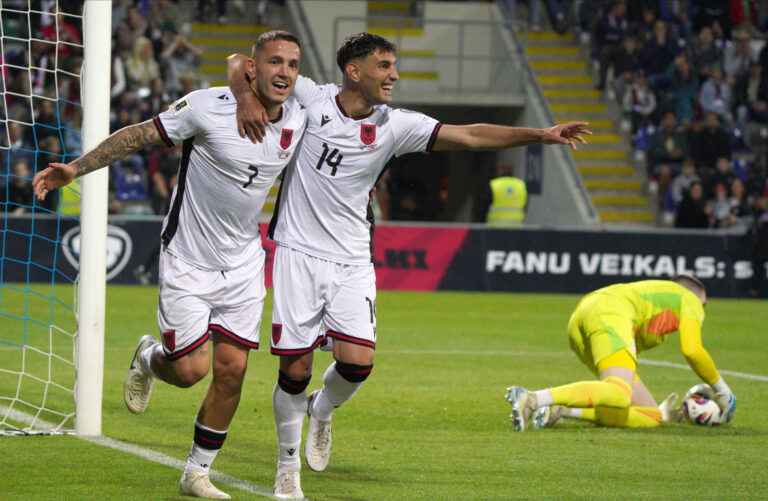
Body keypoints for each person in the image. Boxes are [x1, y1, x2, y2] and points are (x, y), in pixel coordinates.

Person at [227, 32, 591, 499]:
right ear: (354, 71)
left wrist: (540, 134)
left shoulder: (396, 124)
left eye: (394, 66)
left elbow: (472, 136)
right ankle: (287, 467)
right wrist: (243, 97)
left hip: (353, 258)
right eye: (384, 66)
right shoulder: (310, 96)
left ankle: (322, 409)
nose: (394, 75)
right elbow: (239, 60)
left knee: (357, 363)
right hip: (297, 251)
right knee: (294, 368)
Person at [32, 30, 307, 500]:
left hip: (243, 261)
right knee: (188, 372)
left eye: (293, 65)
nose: (284, 72)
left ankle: (196, 472)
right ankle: (148, 356)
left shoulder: (300, 112)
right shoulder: (206, 106)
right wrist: (75, 169)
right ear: (253, 69)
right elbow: (137, 135)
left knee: (231, 371)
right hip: (188, 259)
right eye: (274, 62)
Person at [506, 275, 737, 431]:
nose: (700, 313)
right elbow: (692, 350)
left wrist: (663, 413)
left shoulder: (659, 311)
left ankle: (562, 409)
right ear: (696, 297)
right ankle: (533, 398)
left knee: (650, 415)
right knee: (619, 393)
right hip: (609, 312)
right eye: (703, 307)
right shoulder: (689, 299)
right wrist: (724, 392)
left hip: (584, 316)